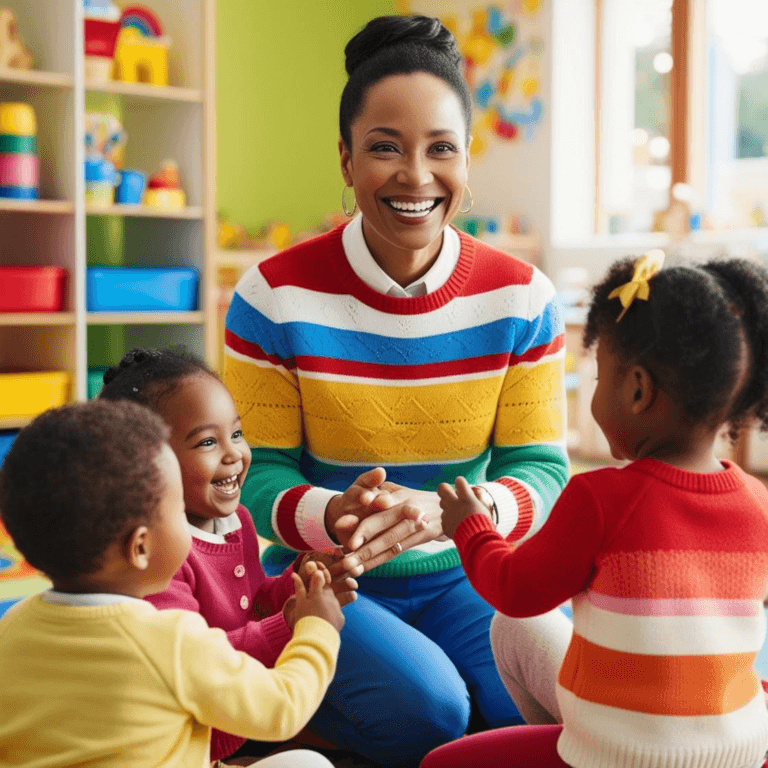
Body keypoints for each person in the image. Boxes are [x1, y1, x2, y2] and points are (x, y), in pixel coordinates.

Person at [224, 14, 571, 767]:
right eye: (385, 147)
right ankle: (281, 711)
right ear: (346, 161)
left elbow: (543, 468)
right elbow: (249, 477)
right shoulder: (271, 296)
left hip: (473, 570)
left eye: (441, 148)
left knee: (543, 706)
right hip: (325, 579)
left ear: (467, 158)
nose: (416, 176)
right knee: (432, 712)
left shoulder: (522, 298)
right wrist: (334, 513)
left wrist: (446, 515)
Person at [425, 252, 768, 768]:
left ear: (636, 389)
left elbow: (514, 590)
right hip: (739, 753)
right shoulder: (759, 504)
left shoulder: (602, 500)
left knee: (438, 763)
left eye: (598, 373)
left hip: (618, 758)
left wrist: (470, 527)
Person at [0, 399, 344, 768]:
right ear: (141, 546)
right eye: (179, 510)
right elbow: (283, 708)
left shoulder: (12, 628)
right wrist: (317, 629)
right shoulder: (173, 639)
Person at [99, 348, 358, 763]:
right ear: (145, 465)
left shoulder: (236, 520)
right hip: (189, 740)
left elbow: (252, 600)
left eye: (236, 434)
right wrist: (291, 622)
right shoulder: (155, 559)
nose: (234, 453)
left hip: (229, 724)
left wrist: (296, 582)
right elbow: (199, 665)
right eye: (207, 442)